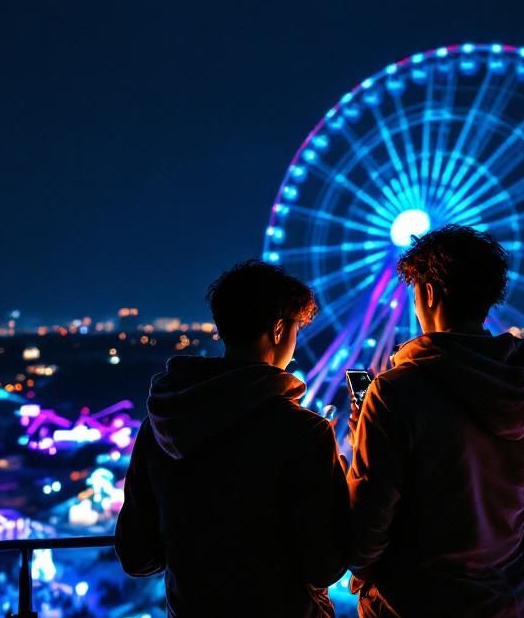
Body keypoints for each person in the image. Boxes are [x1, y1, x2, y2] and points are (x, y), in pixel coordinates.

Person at [115, 260, 349, 617]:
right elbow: (324, 566)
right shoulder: (303, 432)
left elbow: (137, 555)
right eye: (296, 330)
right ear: (278, 329)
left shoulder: (160, 424)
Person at [346, 225, 524, 617]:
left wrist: (365, 576)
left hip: (414, 600)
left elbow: (368, 522)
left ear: (427, 292)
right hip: (505, 600)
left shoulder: (396, 392)